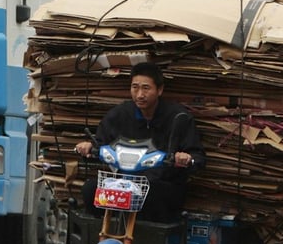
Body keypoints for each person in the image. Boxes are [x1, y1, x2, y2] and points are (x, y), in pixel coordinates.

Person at [75, 61, 206, 223]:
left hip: (162, 184)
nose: (139, 95)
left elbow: (197, 156)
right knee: (90, 190)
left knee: (153, 195)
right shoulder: (119, 115)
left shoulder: (178, 118)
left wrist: (185, 158)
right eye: (135, 87)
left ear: (160, 90)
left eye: (146, 88)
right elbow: (100, 144)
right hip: (124, 183)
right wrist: (89, 148)